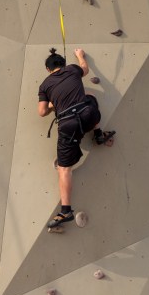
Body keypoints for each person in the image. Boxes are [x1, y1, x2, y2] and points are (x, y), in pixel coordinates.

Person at [38, 48, 115, 228]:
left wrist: (51, 104)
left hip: (68, 125)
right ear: (63, 64)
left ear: (48, 69)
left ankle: (65, 211)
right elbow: (85, 69)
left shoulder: (45, 85)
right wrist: (80, 56)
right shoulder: (72, 69)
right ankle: (98, 135)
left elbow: (42, 112)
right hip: (88, 115)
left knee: (64, 169)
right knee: (91, 98)